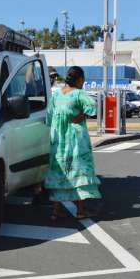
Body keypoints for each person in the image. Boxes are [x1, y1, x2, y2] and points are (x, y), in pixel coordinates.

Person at [45, 66, 101, 220]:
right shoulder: (79, 94)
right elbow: (93, 106)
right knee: (79, 172)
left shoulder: (56, 95)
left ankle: (55, 213)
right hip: (76, 141)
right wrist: (82, 116)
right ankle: (81, 211)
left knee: (60, 172)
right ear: (80, 80)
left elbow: (49, 117)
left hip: (59, 142)